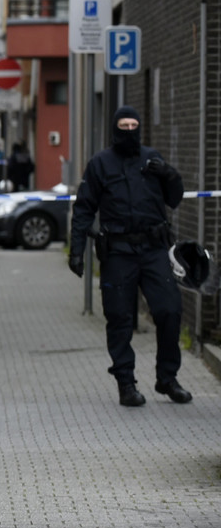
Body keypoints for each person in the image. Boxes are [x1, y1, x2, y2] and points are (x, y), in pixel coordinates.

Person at [68, 105, 191, 408]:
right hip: (119, 252)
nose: (128, 130)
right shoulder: (100, 163)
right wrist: (77, 249)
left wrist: (169, 174)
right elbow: (84, 208)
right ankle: (126, 383)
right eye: (123, 125)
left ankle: (167, 378)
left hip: (153, 250)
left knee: (170, 310)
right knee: (120, 318)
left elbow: (174, 198)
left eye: (133, 124)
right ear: (114, 128)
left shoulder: (152, 159)